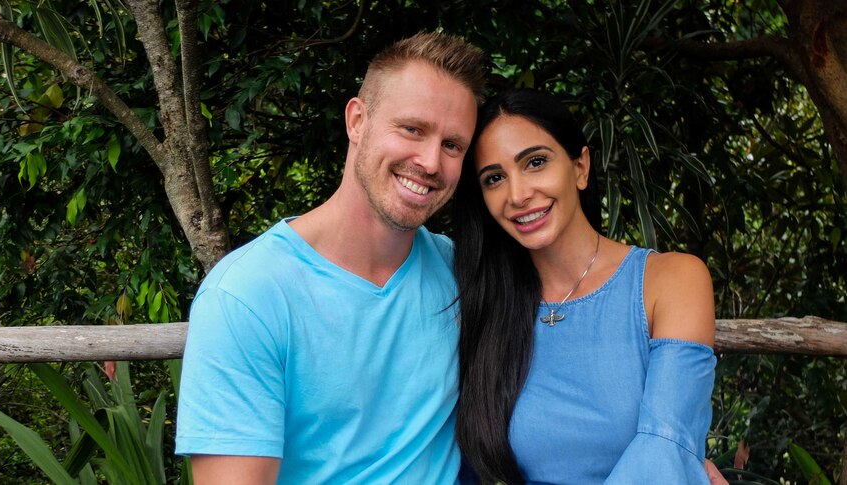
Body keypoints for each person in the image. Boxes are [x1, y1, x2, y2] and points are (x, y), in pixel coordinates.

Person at [175, 32, 485, 484]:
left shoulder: (461, 273)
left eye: (452, 145)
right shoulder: (247, 296)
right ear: (357, 121)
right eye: (412, 129)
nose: (431, 161)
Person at [453, 89, 719, 484]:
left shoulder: (672, 279)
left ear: (581, 167)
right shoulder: (486, 303)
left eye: (536, 162)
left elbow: (664, 451)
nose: (518, 194)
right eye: (494, 178)